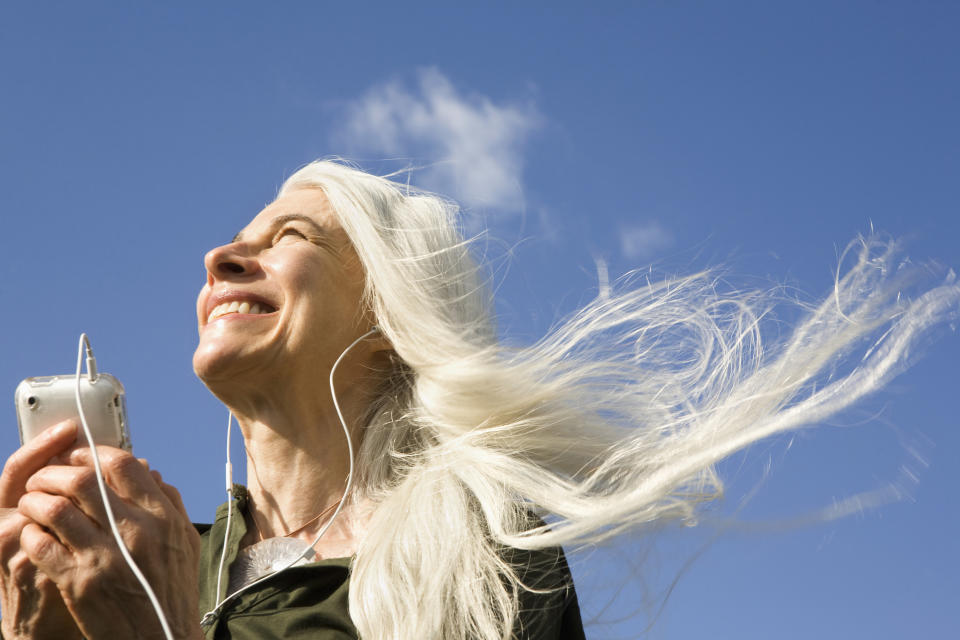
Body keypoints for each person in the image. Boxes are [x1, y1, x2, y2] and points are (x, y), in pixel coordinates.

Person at [0, 160, 957, 639]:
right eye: (232, 240)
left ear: (386, 313)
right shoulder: (165, 552)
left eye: (291, 233)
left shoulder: (480, 564)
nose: (220, 257)